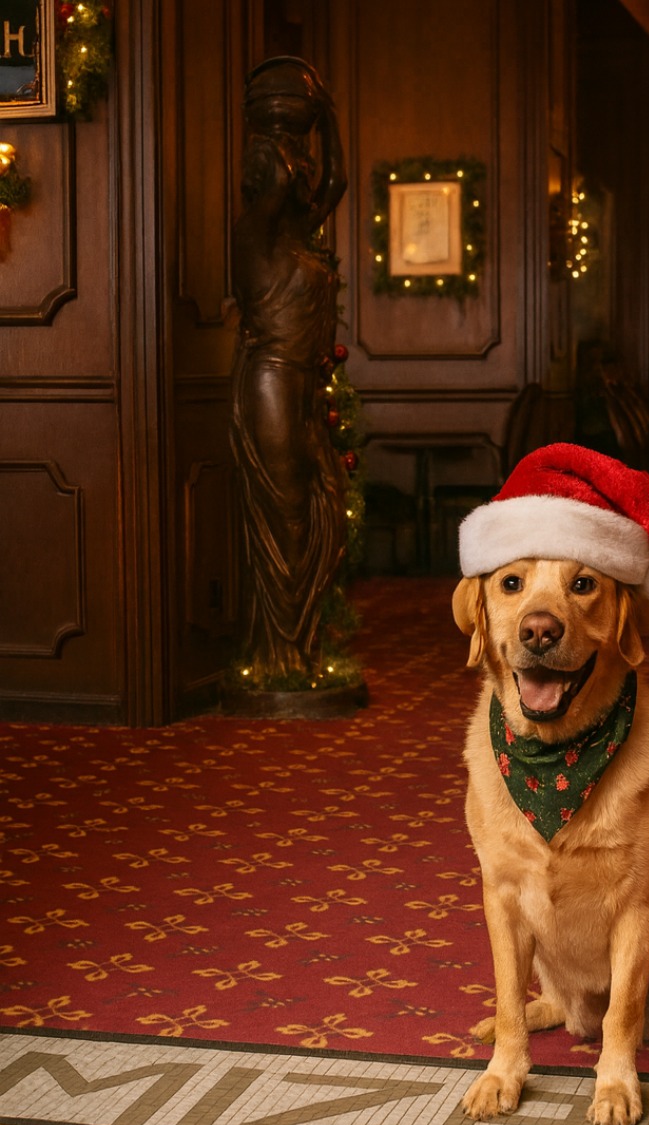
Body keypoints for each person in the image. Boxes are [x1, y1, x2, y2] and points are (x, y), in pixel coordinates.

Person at [229, 56, 347, 682]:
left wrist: (325, 114)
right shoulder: (254, 235)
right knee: (290, 509)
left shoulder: (301, 237)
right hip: (271, 379)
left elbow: (337, 183)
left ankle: (303, 643)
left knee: (322, 503)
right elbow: (288, 186)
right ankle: (281, 652)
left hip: (305, 382)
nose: (300, 174)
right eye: (285, 165)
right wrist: (280, 141)